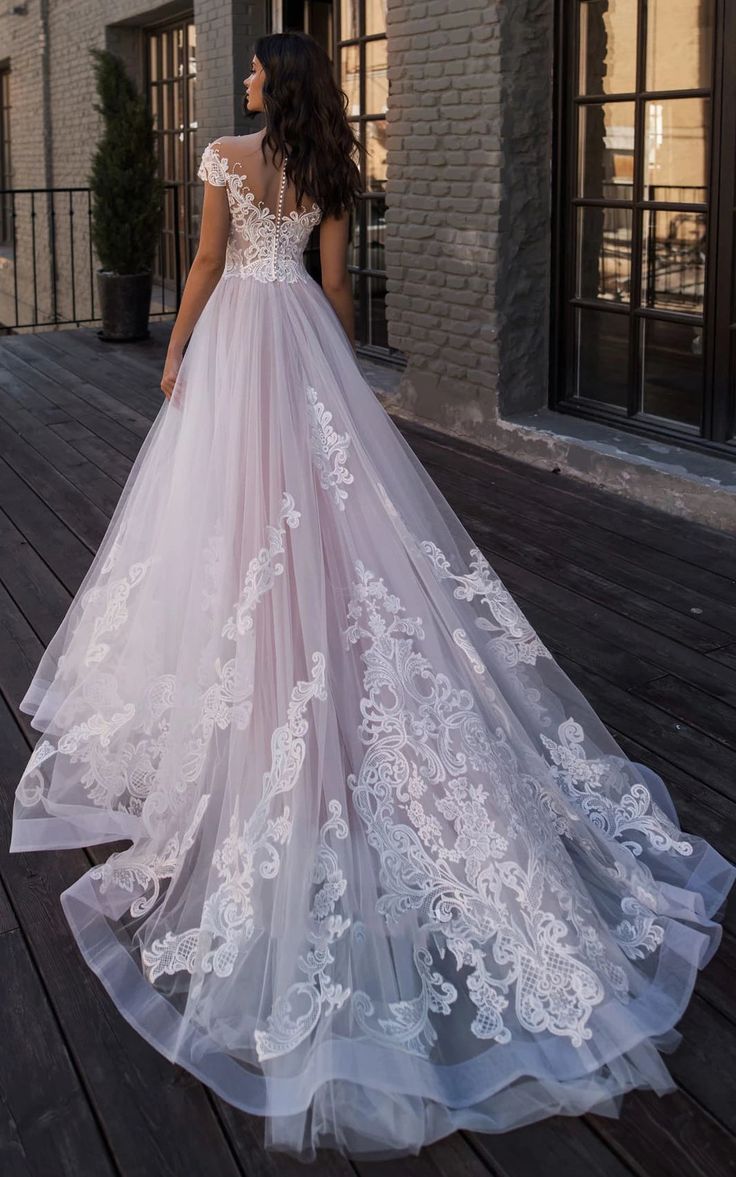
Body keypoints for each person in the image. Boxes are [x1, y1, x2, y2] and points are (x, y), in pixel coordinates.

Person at [8, 30, 735, 1165]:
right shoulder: (332, 170)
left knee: (229, 518)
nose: (243, 78)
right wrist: (335, 381)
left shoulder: (223, 157)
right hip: (299, 341)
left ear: (270, 83)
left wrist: (178, 350)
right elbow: (336, 289)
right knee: (334, 522)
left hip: (242, 340)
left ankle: (254, 685)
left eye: (252, 68)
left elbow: (200, 266)